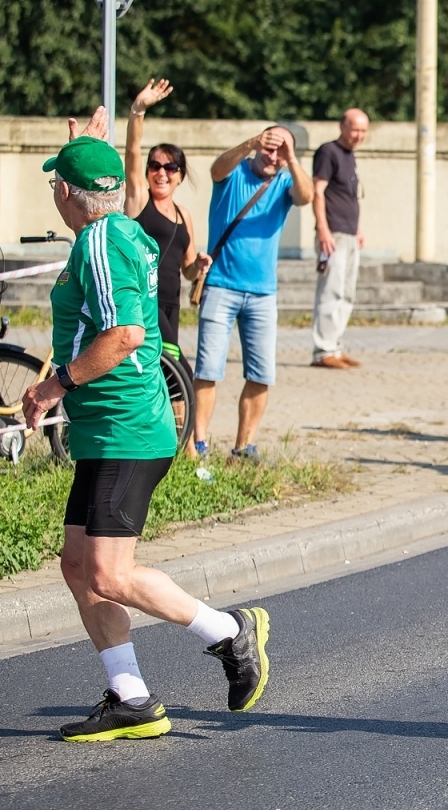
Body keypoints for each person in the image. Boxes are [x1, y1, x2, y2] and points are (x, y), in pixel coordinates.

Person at [22, 111, 270, 742]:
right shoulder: (121, 229)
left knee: (108, 572)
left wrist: (55, 385)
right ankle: (130, 696)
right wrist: (92, 144)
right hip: (107, 430)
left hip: (128, 428)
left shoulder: (100, 243)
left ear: (64, 195)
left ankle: (229, 631)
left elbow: (125, 333)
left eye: (58, 182)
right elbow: (104, 183)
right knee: (78, 564)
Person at [193, 124, 314, 460]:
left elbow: (306, 197)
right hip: (220, 285)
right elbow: (216, 168)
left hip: (263, 293)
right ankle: (199, 443)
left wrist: (291, 159)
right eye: (268, 147)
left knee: (261, 373)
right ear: (259, 145)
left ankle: (244, 446)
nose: (272, 156)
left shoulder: (285, 180)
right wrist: (249, 144)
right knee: (208, 369)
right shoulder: (234, 174)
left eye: (280, 150)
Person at [122, 78, 207, 435]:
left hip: (171, 304)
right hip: (145, 302)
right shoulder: (138, 201)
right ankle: (184, 444)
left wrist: (198, 267)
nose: (161, 172)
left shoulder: (183, 214)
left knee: (169, 377)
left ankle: (171, 441)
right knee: (180, 376)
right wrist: (137, 110)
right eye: (155, 166)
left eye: (170, 168)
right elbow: (132, 152)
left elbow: (187, 269)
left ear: (180, 176)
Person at [310, 109, 369, 370]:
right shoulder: (328, 152)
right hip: (332, 234)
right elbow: (318, 192)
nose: (359, 135)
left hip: (349, 233)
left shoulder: (350, 156)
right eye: (355, 129)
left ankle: (335, 346)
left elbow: (350, 197)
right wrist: (323, 229)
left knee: (346, 293)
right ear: (342, 126)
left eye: (364, 131)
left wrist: (358, 230)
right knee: (330, 291)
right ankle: (323, 350)